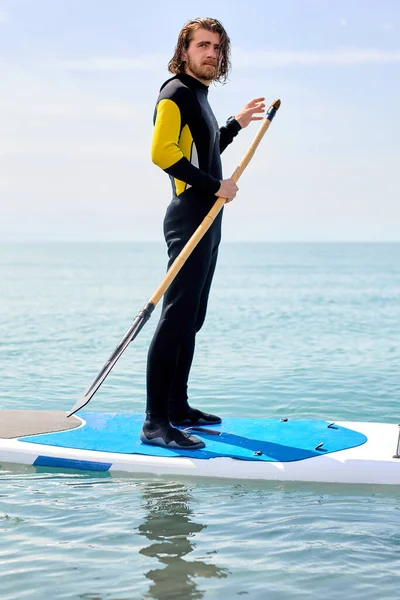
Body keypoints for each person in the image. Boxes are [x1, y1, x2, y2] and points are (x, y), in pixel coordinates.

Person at [141, 17, 265, 449]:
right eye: (203, 45)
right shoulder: (175, 91)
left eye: (217, 47)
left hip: (207, 218)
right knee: (176, 316)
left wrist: (236, 124)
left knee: (193, 318)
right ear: (185, 50)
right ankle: (156, 423)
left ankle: (178, 407)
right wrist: (216, 186)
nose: (211, 53)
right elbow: (162, 153)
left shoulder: (201, 97)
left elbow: (206, 147)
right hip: (188, 216)